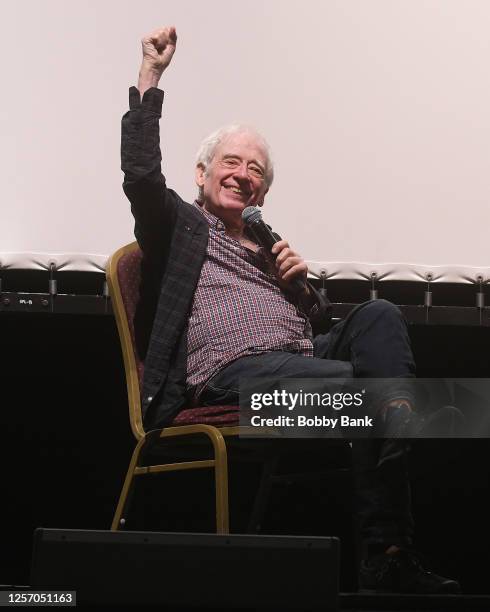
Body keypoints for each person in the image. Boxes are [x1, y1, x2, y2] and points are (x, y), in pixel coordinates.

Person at [121, 26, 460, 594]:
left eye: (256, 172)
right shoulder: (179, 227)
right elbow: (140, 175)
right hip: (231, 374)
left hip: (297, 361)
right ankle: (388, 552)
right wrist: (151, 78)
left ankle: (396, 414)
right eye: (232, 162)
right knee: (370, 393)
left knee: (378, 318)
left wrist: (301, 291)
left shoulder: (268, 243)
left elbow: (316, 331)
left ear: (264, 193)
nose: (244, 175)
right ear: (201, 176)